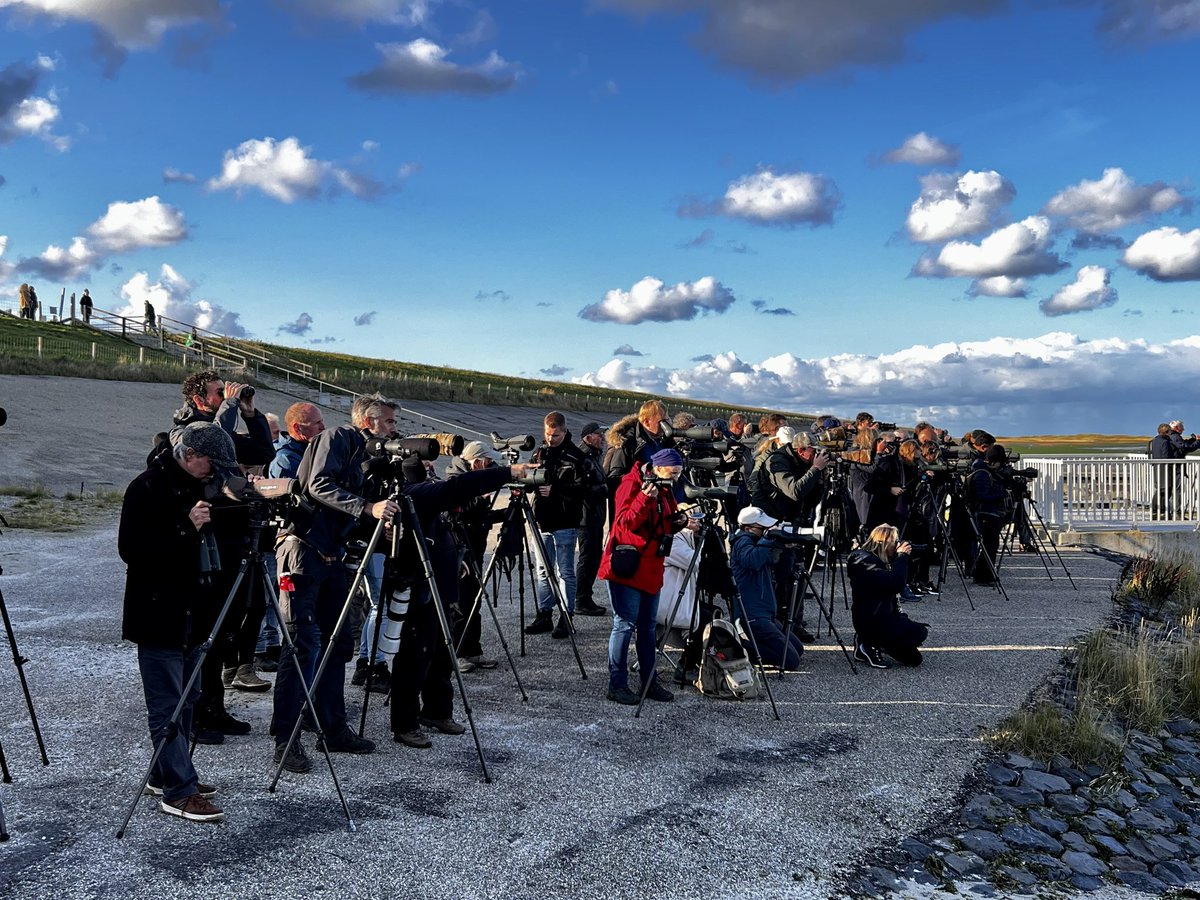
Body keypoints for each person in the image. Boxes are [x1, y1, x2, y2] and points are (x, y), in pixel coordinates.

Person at [119, 422, 241, 823]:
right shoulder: (147, 487)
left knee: (187, 697)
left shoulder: (196, 485)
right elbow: (133, 551)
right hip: (158, 613)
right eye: (210, 462)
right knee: (167, 704)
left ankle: (166, 772)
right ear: (188, 455)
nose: (214, 471)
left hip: (192, 612)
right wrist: (186, 526)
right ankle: (179, 791)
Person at [271, 401, 396, 773]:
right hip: (302, 550)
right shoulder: (338, 437)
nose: (393, 429)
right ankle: (286, 739)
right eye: (389, 422)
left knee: (338, 642)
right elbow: (318, 484)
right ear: (368, 422)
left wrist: (376, 519)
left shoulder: (366, 454)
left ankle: (330, 725)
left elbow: (345, 509)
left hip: (332, 555)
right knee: (302, 645)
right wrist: (367, 508)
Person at [390, 452, 535, 748]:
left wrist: (460, 558)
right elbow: (456, 488)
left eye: (431, 466)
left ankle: (437, 711)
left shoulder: (427, 497)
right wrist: (509, 472)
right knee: (416, 655)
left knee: (443, 652)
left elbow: (447, 527)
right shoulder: (412, 494)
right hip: (421, 585)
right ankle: (406, 723)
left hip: (443, 582)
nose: (432, 471)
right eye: (425, 468)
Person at [598, 447, 687, 705]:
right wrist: (644, 499)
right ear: (657, 469)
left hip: (651, 566)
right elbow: (624, 523)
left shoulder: (665, 488)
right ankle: (617, 684)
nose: (676, 478)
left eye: (679, 473)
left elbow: (666, 522)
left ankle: (649, 682)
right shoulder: (631, 484)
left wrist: (681, 520)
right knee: (624, 625)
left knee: (647, 628)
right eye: (673, 473)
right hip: (628, 566)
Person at [525, 411, 603, 639]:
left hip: (566, 520)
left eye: (556, 435)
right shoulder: (540, 452)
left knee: (565, 571)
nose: (551, 439)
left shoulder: (577, 456)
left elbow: (586, 490)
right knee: (542, 569)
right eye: (548, 434)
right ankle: (545, 613)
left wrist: (557, 490)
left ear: (564, 431)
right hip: (542, 519)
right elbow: (532, 482)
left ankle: (566, 616)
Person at [443, 440, 506, 672]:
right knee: (460, 601)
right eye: (488, 463)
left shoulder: (474, 480)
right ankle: (457, 652)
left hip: (476, 544)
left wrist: (505, 513)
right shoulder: (454, 481)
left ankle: (473, 650)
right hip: (460, 547)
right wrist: (481, 497)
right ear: (477, 462)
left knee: (475, 598)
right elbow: (457, 514)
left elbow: (479, 516)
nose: (490, 467)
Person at [729, 507, 803, 671]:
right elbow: (752, 561)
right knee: (791, 661)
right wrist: (768, 539)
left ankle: (751, 646)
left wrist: (785, 548)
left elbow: (780, 571)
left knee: (798, 649)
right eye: (762, 528)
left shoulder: (757, 542)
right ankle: (740, 649)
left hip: (766, 613)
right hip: (752, 616)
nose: (766, 531)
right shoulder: (741, 542)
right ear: (748, 528)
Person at [847, 524, 929, 668]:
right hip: (873, 621)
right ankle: (870, 644)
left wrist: (902, 558)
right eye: (895, 542)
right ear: (884, 544)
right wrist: (901, 557)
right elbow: (896, 583)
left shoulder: (874, 561)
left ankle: (868, 643)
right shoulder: (868, 564)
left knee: (914, 659)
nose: (898, 546)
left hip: (881, 617)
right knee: (919, 632)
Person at [574, 421, 609, 616]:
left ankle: (585, 597)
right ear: (588, 438)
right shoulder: (583, 457)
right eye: (599, 435)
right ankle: (581, 599)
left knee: (594, 557)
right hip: (585, 518)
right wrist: (604, 489)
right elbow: (579, 489)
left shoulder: (594, 456)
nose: (603, 439)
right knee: (587, 558)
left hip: (594, 516)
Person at [965, 444, 1011, 585]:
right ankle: (982, 576)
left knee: (991, 545)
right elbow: (983, 495)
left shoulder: (983, 472)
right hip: (986, 514)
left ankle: (986, 574)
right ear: (994, 461)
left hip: (989, 514)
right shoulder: (982, 474)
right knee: (989, 546)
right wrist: (1004, 493)